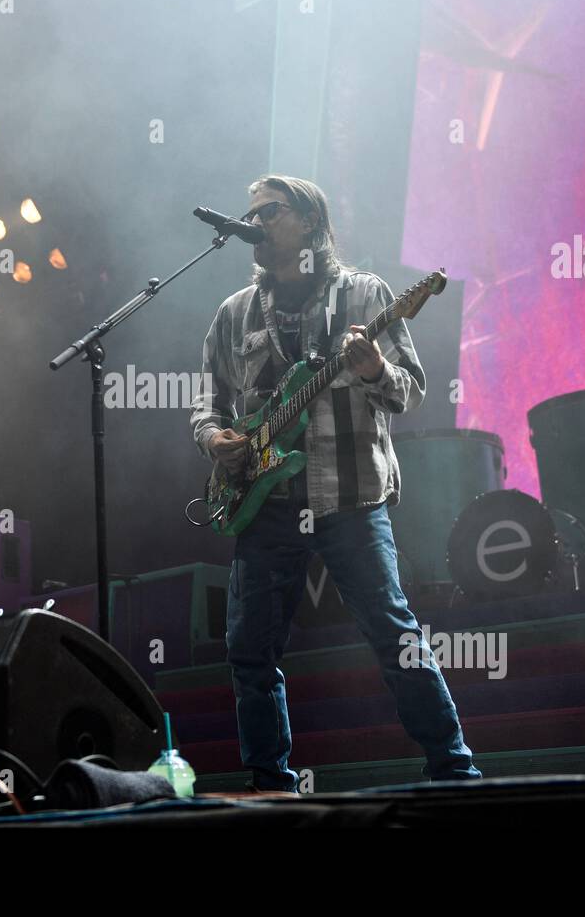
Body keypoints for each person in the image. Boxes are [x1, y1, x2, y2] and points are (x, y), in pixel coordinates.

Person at [190, 174, 481, 792]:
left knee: (393, 633)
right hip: (265, 504)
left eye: (268, 212)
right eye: (251, 215)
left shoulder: (366, 295)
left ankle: (453, 770)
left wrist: (374, 367)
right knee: (250, 652)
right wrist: (215, 440)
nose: (255, 224)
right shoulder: (234, 313)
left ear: (309, 221)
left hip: (349, 496)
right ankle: (269, 783)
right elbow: (206, 403)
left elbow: (409, 391)